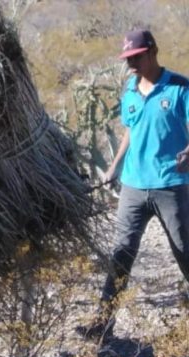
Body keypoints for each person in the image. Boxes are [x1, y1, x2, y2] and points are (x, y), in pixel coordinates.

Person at [78, 29, 189, 341]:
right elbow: (131, 129)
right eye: (127, 59)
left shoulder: (180, 88)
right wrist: (114, 167)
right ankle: (102, 324)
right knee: (121, 254)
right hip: (133, 188)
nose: (131, 65)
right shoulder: (129, 90)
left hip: (171, 185)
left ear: (152, 51)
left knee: (184, 252)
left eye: (136, 57)